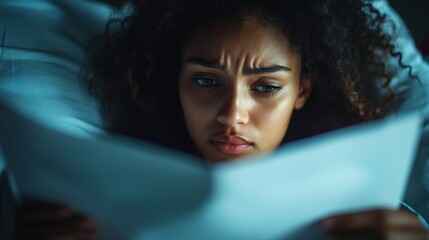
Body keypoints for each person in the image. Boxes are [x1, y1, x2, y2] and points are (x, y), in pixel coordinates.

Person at [15, 0, 429, 239]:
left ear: (302, 91)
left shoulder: (364, 208)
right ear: (172, 80)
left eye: (265, 87)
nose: (232, 115)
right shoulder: (92, 191)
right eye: (205, 81)